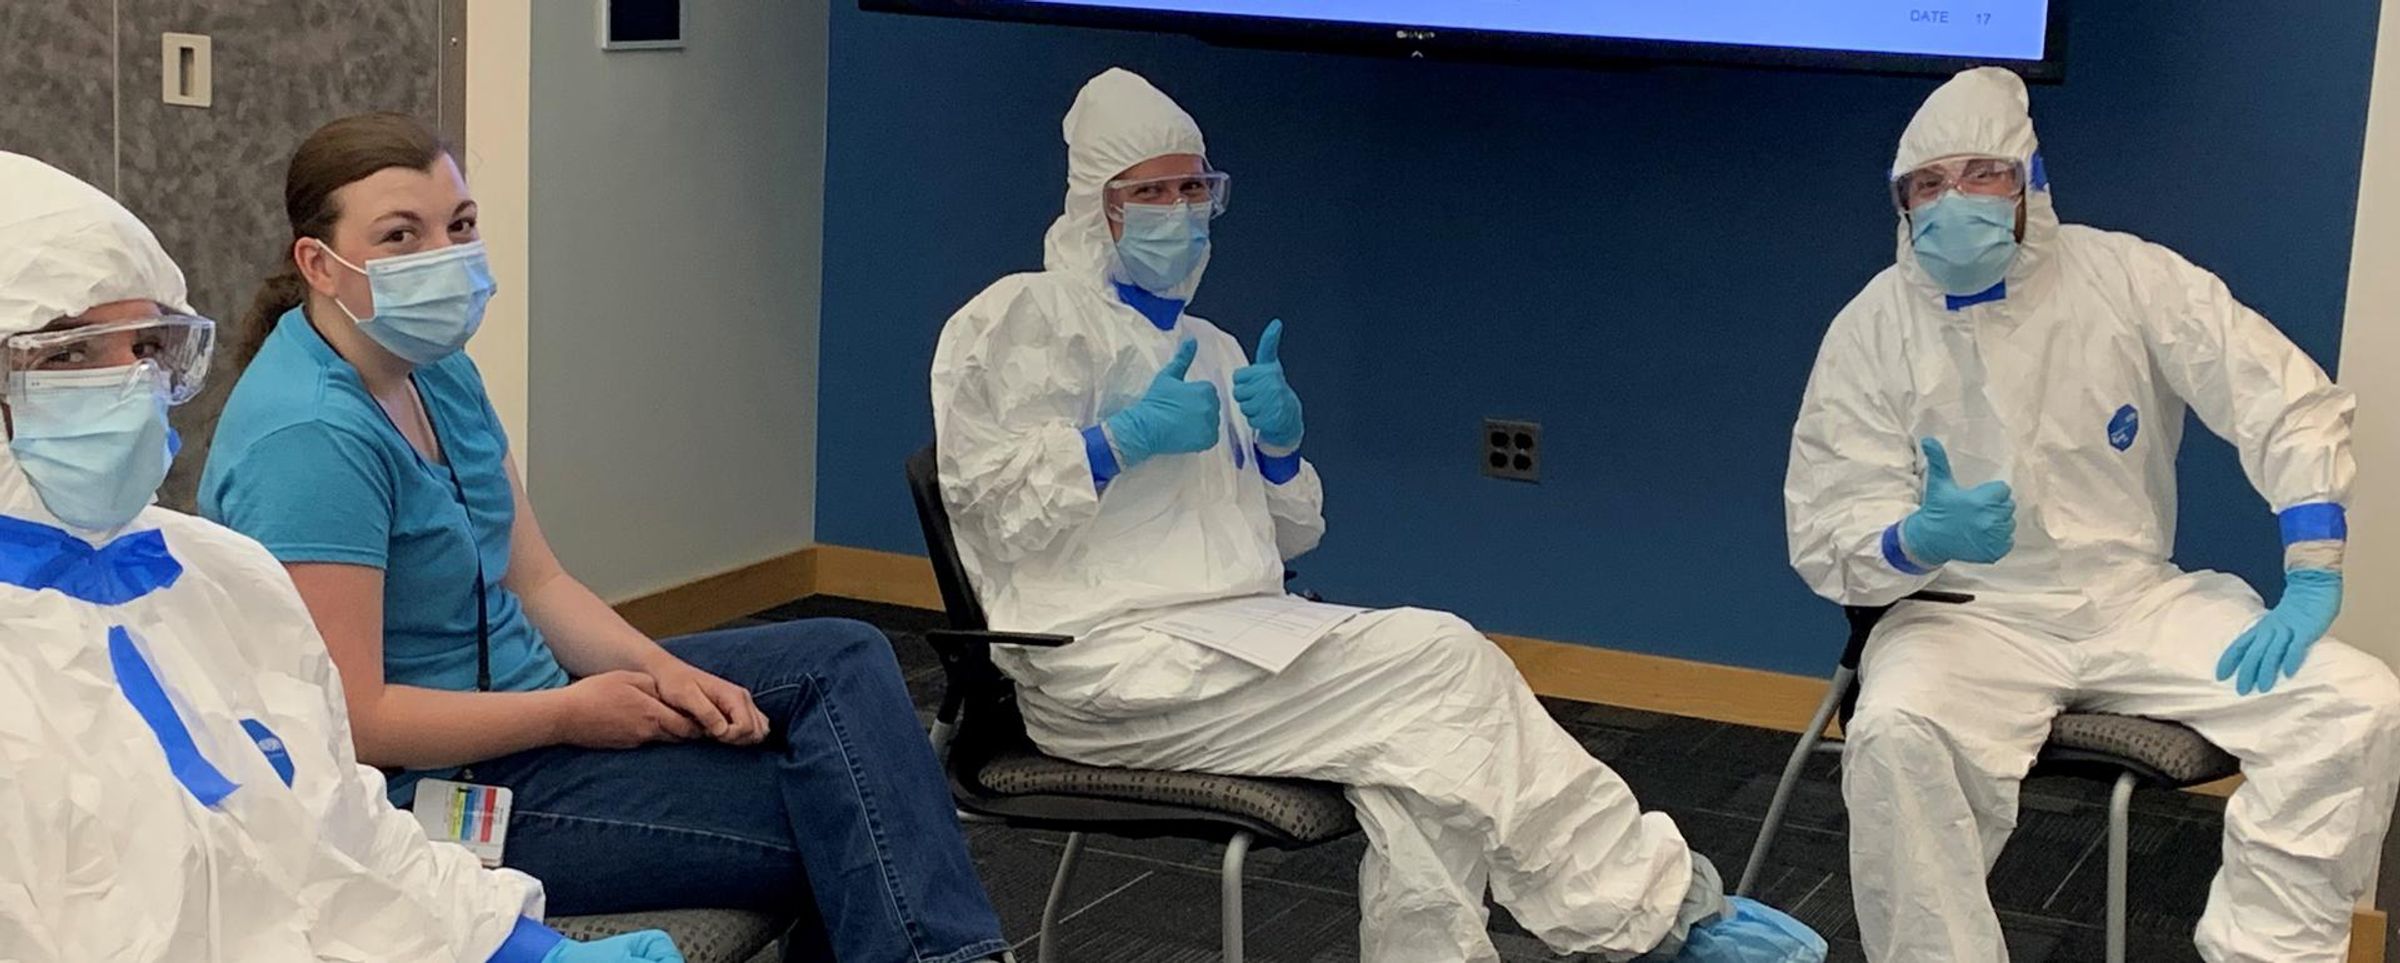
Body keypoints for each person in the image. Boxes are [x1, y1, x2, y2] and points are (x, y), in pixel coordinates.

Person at [929, 67, 1826, 963]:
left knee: (1421, 752)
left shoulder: (1210, 347)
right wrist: (1113, 443)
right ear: (1097, 209)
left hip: (1226, 642)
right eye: (1149, 192)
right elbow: (989, 504)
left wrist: (1278, 450)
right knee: (1439, 663)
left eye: (1193, 186)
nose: (1179, 209)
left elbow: (1285, 538)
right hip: (1105, 667)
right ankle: (1668, 918)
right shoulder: (1021, 318)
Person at [198, 114, 1006, 963]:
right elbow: (356, 722)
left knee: (843, 658)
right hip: (431, 796)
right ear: (319, 265)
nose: (444, 253)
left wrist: (661, 670)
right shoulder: (310, 442)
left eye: (459, 225)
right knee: (858, 807)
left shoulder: (436, 369)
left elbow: (537, 579)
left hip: (535, 711)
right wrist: (570, 712)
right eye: (401, 236)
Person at [0, 152, 685, 963]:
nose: (129, 384)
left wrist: (517, 946)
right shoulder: (307, 438)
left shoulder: (219, 578)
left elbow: (341, 830)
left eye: (147, 345)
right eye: (70, 354)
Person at [1785, 66, 2400, 963]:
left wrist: (2312, 566)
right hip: (1968, 617)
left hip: (2134, 602)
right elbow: (1827, 514)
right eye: (1928, 184)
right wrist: (1914, 536)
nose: (1954, 202)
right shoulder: (1872, 328)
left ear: (2032, 181)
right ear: (1902, 204)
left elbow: (2280, 397)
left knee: (2353, 703)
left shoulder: (2129, 278)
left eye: (1982, 174)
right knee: (1895, 732)